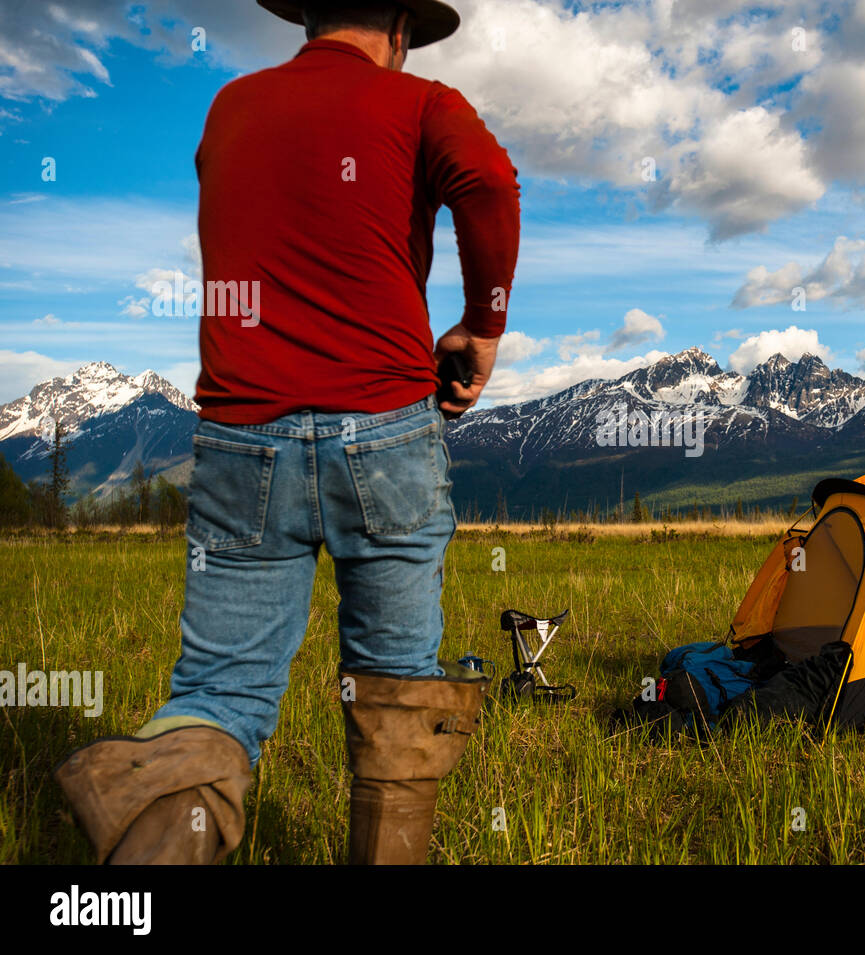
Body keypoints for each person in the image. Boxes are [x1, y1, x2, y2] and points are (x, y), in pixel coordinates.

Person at [54, 0, 521, 865]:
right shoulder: (422, 103)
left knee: (220, 693)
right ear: (400, 28)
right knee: (395, 691)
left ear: (306, 16)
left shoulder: (232, 105)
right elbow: (490, 182)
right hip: (384, 428)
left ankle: (156, 849)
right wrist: (482, 325)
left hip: (241, 433)